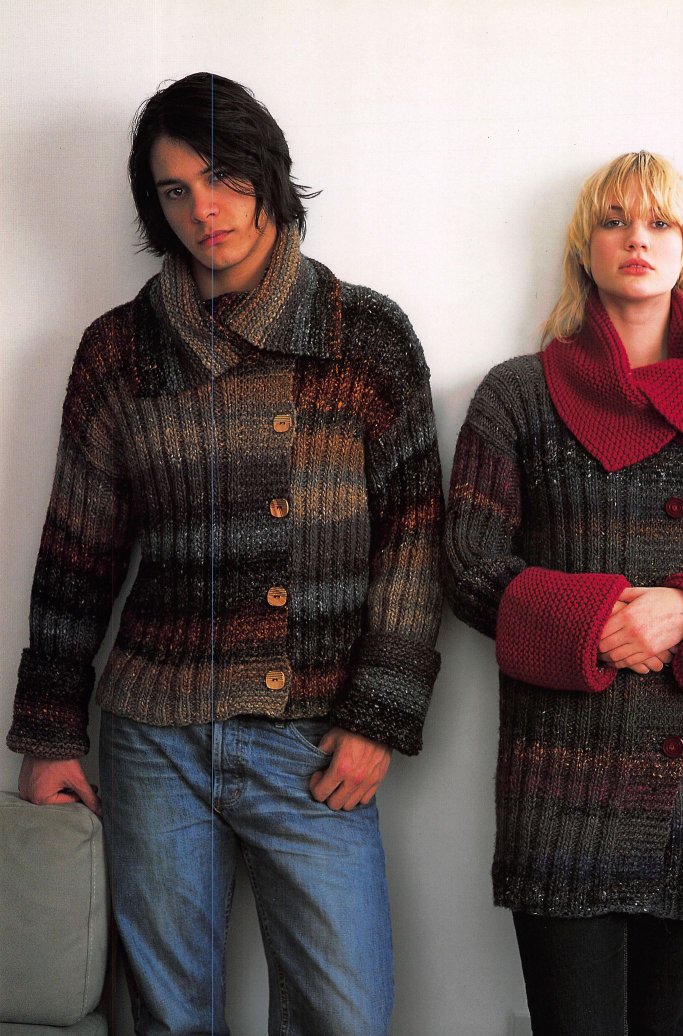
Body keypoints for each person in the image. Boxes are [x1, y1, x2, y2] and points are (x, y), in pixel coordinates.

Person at [7, 72, 443, 1036]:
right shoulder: (119, 352)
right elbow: (76, 554)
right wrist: (50, 735)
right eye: (175, 190)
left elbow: (415, 541)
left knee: (346, 1017)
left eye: (223, 177)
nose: (204, 209)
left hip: (311, 741)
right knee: (171, 1021)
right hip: (154, 737)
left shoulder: (363, 337)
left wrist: (378, 715)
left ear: (267, 175)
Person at [444, 151, 683, 1035]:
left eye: (659, 222)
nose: (637, 238)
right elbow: (467, 563)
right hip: (559, 778)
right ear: (584, 246)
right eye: (614, 220)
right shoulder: (516, 396)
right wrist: (594, 622)